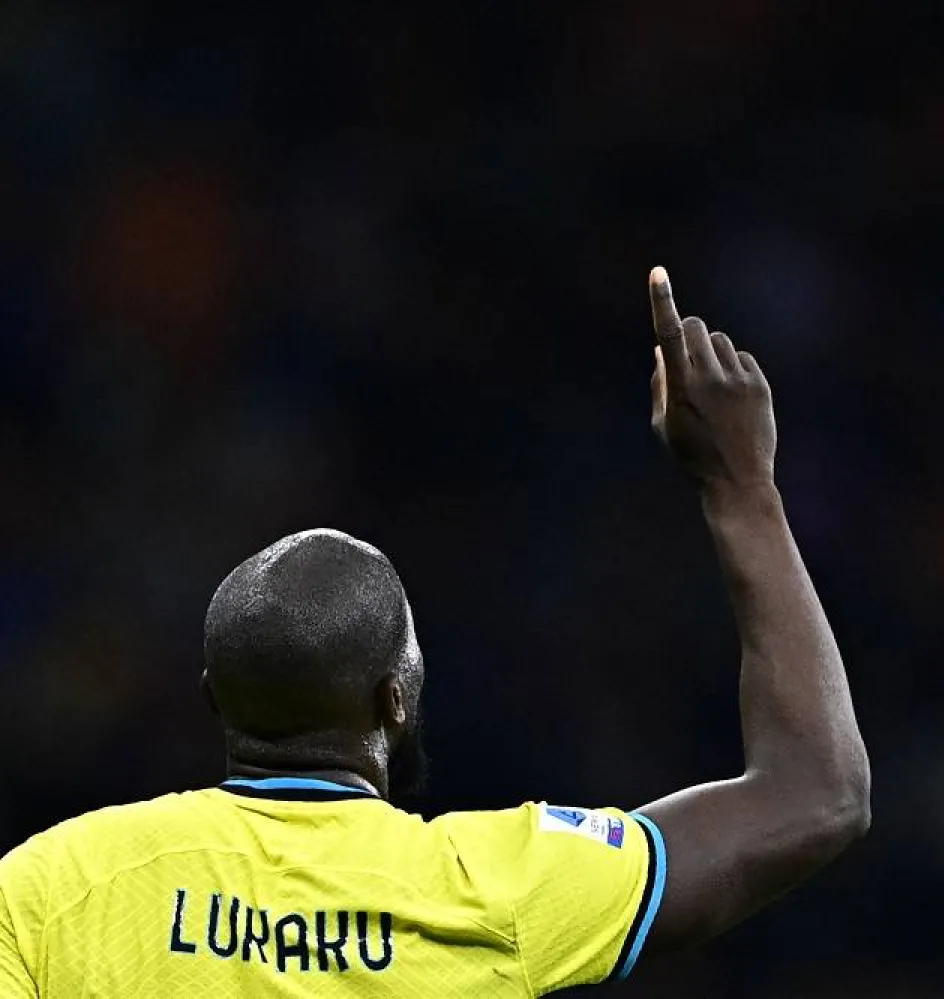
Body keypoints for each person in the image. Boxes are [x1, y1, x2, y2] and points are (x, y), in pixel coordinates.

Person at [0, 267, 871, 996]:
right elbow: (817, 794)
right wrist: (740, 487)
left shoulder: (55, 886)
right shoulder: (488, 887)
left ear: (213, 699)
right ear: (394, 698)